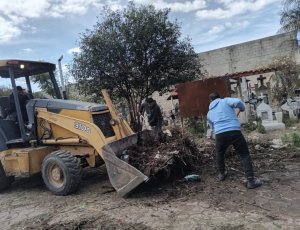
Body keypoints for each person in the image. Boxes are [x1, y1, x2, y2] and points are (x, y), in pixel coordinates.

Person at [207, 92, 262, 189]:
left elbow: (212, 127)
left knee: (220, 153)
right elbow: (237, 101)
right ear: (219, 97)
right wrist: (242, 108)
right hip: (234, 131)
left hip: (220, 134)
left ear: (211, 101)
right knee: (244, 154)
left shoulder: (209, 113)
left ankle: (221, 174)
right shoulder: (225, 101)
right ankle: (250, 181)